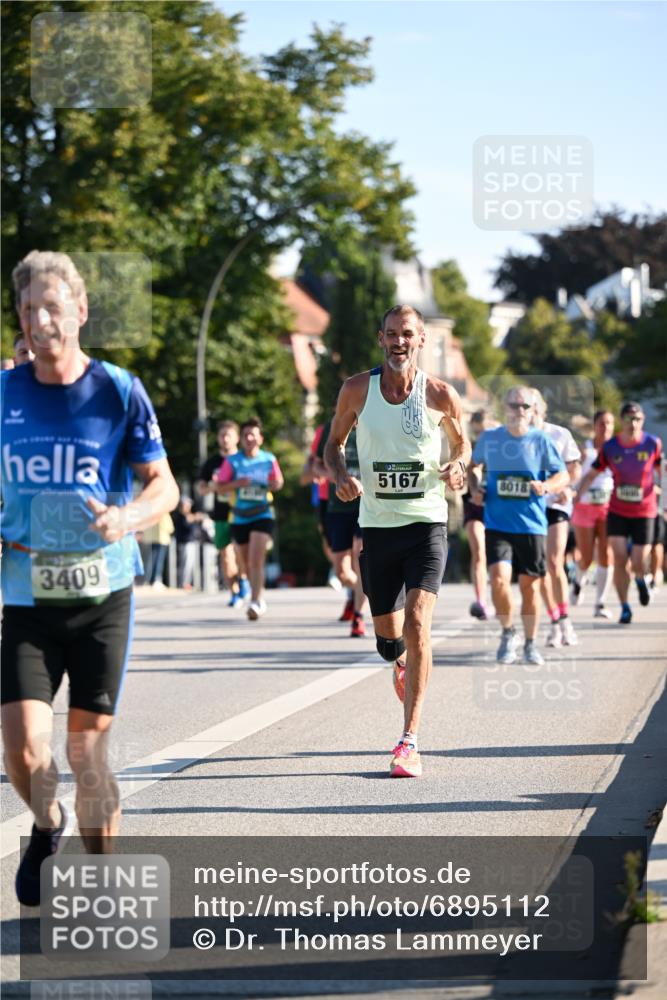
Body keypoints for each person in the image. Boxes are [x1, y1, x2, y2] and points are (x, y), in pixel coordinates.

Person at [1, 250, 179, 906]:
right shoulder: (3, 393)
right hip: (25, 590)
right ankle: (48, 824)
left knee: (86, 754)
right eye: (27, 309)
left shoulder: (118, 390)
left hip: (103, 593)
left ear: (79, 310)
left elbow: (163, 486)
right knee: (21, 751)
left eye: (52, 306)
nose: (40, 319)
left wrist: (127, 516)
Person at [324, 304, 470, 778]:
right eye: (391, 334)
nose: (399, 342)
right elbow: (333, 444)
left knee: (420, 622)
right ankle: (399, 660)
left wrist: (458, 465)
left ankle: (409, 740)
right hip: (378, 527)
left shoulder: (441, 395)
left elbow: (461, 443)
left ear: (422, 339)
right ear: (381, 338)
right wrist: (341, 475)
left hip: (426, 524)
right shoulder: (356, 390)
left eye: (407, 334)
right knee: (389, 642)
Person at [468, 386, 568, 667]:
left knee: (530, 588)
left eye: (525, 407)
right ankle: (508, 632)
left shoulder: (541, 441)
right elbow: (473, 466)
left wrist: (547, 486)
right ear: (505, 408)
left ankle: (531, 643)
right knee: (499, 579)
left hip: (532, 525)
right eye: (514, 406)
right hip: (497, 522)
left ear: (534, 411)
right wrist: (475, 487)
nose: (519, 411)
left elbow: (562, 474)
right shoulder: (490, 438)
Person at [576, 401, 662, 624]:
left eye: (637, 419)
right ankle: (624, 606)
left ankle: (641, 580)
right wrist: (577, 496)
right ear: (622, 421)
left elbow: (661, 470)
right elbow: (592, 474)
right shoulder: (611, 447)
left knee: (638, 561)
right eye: (629, 419)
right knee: (619, 558)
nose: (633, 423)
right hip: (617, 511)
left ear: (642, 421)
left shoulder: (653, 443)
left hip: (645, 511)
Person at [214, 416, 284, 620]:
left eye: (253, 434)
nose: (249, 438)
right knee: (245, 562)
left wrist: (274, 484)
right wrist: (237, 484)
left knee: (256, 559)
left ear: (260, 438)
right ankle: (254, 594)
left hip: (262, 513)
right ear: (241, 439)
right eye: (245, 435)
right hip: (239, 517)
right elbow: (219, 486)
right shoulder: (232, 461)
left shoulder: (268, 459)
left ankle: (256, 600)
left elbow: (278, 482)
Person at [531, 390, 582, 648]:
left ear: (542, 410)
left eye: (533, 408)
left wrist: (566, 488)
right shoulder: (514, 437)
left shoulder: (560, 434)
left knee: (553, 561)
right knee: (538, 568)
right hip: (529, 508)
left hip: (556, 505)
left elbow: (574, 468)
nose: (529, 413)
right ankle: (553, 621)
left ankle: (565, 621)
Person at [318, 420, 368, 637]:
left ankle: (359, 616)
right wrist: (340, 478)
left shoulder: (374, 425)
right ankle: (362, 590)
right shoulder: (331, 429)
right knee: (341, 572)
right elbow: (316, 466)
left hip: (366, 505)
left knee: (360, 554)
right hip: (338, 507)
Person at [198, 420, 249, 606]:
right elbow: (202, 488)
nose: (225, 439)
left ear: (237, 438)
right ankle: (234, 593)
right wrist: (213, 486)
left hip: (242, 512)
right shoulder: (211, 463)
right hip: (220, 514)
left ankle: (243, 579)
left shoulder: (244, 460)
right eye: (222, 435)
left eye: (229, 435)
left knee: (241, 553)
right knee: (226, 556)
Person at [571, 410, 615, 617]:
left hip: (608, 508)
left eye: (609, 423)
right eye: (601, 423)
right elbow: (572, 474)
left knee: (607, 554)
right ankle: (579, 580)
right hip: (584, 508)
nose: (605, 427)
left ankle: (600, 603)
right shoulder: (585, 450)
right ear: (594, 426)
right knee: (587, 557)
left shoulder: (618, 450)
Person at [463, 410, 498, 620]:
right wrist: (475, 490)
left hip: (498, 503)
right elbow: (472, 470)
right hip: (475, 502)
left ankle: (497, 594)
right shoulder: (470, 445)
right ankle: (481, 601)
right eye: (477, 433)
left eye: (483, 432)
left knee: (496, 554)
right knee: (479, 551)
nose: (480, 437)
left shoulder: (503, 441)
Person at [172, 496, 205, 589]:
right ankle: (183, 583)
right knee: (185, 564)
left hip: (192, 542)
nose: (189, 507)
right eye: (187, 505)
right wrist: (194, 518)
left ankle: (188, 582)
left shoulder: (188, 515)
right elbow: (186, 524)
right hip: (185, 543)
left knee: (190, 564)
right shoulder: (180, 516)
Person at [142, 511, 174, 589]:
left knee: (152, 560)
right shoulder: (164, 513)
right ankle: (156, 579)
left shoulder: (154, 513)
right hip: (162, 539)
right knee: (159, 561)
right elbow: (170, 528)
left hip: (154, 538)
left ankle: (149, 579)